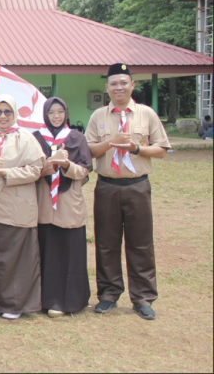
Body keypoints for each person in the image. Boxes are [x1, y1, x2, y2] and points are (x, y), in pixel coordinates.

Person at [85, 63, 170, 320]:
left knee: (141, 243)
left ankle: (143, 297)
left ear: (132, 85)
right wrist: (110, 143)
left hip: (137, 186)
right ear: (107, 87)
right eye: (114, 83)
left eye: (124, 82)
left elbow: (161, 149)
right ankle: (109, 294)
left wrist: (137, 149)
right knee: (106, 243)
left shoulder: (146, 114)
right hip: (107, 186)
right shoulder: (98, 116)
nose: (119, 87)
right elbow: (88, 150)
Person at [0, 94, 45, 320]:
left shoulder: (26, 139)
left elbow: (36, 170)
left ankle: (15, 304)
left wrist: (6, 173)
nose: (3, 116)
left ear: (14, 114)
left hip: (17, 207)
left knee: (16, 256)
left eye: (7, 112)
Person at [32, 97, 93, 318]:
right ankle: (46, 299)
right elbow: (31, 170)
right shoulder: (36, 138)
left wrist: (66, 164)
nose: (56, 116)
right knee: (47, 251)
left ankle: (70, 300)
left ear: (66, 113)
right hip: (44, 203)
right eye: (51, 112)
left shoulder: (76, 138)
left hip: (68, 203)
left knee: (70, 251)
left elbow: (85, 170)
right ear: (45, 114)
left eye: (60, 112)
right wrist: (50, 163)